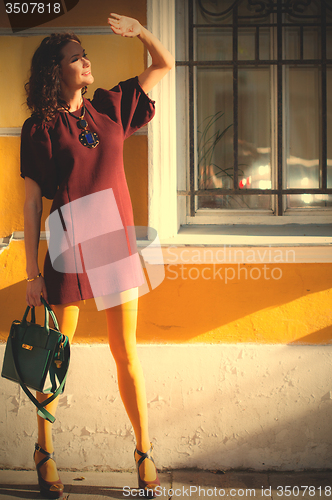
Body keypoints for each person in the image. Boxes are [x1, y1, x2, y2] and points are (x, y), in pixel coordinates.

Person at [21, 12, 174, 499]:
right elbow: (30, 202)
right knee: (56, 356)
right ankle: (44, 451)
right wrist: (31, 273)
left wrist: (140, 31)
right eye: (75, 57)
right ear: (56, 71)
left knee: (124, 351)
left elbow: (165, 64)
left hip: (114, 242)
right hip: (67, 242)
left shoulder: (111, 105)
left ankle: (144, 453)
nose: (86, 61)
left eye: (84, 55)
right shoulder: (39, 127)